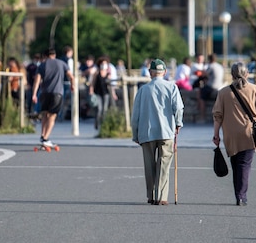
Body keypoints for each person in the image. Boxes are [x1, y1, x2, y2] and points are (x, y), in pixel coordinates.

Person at [212, 62, 256, 206]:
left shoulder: (223, 92)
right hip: (249, 133)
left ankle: (238, 194)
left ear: (232, 75)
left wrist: (216, 135)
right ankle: (241, 196)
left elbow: (217, 115)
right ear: (247, 74)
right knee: (244, 165)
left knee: (235, 165)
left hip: (230, 134)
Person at [131, 59, 184, 206]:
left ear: (150, 73)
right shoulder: (172, 87)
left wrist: (135, 134)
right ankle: (161, 196)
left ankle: (151, 195)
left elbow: (135, 115)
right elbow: (179, 108)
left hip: (146, 131)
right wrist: (178, 123)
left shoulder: (143, 90)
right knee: (164, 164)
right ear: (165, 72)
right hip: (166, 131)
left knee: (149, 164)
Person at [31, 48, 74, 148]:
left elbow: (37, 81)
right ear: (54, 55)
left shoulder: (42, 65)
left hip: (44, 93)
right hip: (57, 93)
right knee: (53, 116)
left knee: (45, 114)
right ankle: (45, 138)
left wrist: (34, 94)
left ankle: (42, 136)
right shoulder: (62, 63)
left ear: (45, 56)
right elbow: (71, 76)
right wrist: (73, 86)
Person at [89, 56, 118, 131]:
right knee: (99, 109)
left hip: (106, 93)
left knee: (105, 109)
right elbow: (92, 82)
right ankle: (97, 122)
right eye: (102, 64)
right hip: (98, 93)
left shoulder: (108, 74)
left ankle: (103, 124)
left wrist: (113, 93)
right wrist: (91, 91)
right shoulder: (97, 72)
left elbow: (111, 85)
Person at [197, 53, 225, 122]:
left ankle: (202, 117)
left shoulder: (211, 66)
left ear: (209, 59)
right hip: (220, 87)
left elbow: (204, 75)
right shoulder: (220, 66)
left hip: (212, 87)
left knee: (201, 96)